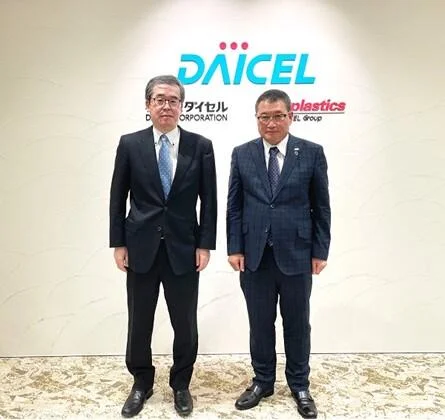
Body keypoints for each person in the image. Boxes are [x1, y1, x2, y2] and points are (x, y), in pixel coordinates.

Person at [109, 75, 217, 418]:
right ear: (148, 104)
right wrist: (118, 243)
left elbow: (209, 201)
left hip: (184, 248)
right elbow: (117, 196)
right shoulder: (130, 144)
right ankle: (142, 382)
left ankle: (181, 383)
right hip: (140, 247)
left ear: (181, 105)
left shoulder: (200, 146)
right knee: (139, 320)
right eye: (159, 99)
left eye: (173, 100)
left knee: (184, 322)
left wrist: (205, 245)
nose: (166, 105)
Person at [226, 89, 330, 419]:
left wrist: (320, 250)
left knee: (297, 324)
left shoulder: (311, 153)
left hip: (298, 254)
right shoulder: (242, 154)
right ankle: (262, 381)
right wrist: (234, 247)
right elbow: (234, 206)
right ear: (257, 119)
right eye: (264, 117)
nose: (271, 123)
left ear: (290, 117)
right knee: (260, 323)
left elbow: (321, 206)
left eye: (278, 116)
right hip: (254, 256)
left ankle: (300, 385)